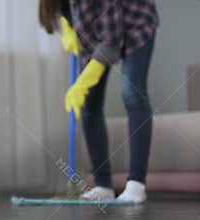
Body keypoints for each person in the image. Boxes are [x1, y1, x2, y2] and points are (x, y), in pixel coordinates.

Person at [39, 0, 159, 203]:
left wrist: (82, 84)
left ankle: (136, 185)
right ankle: (103, 185)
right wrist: (70, 27)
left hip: (135, 22)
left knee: (132, 93)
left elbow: (110, 43)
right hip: (99, 36)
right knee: (89, 104)